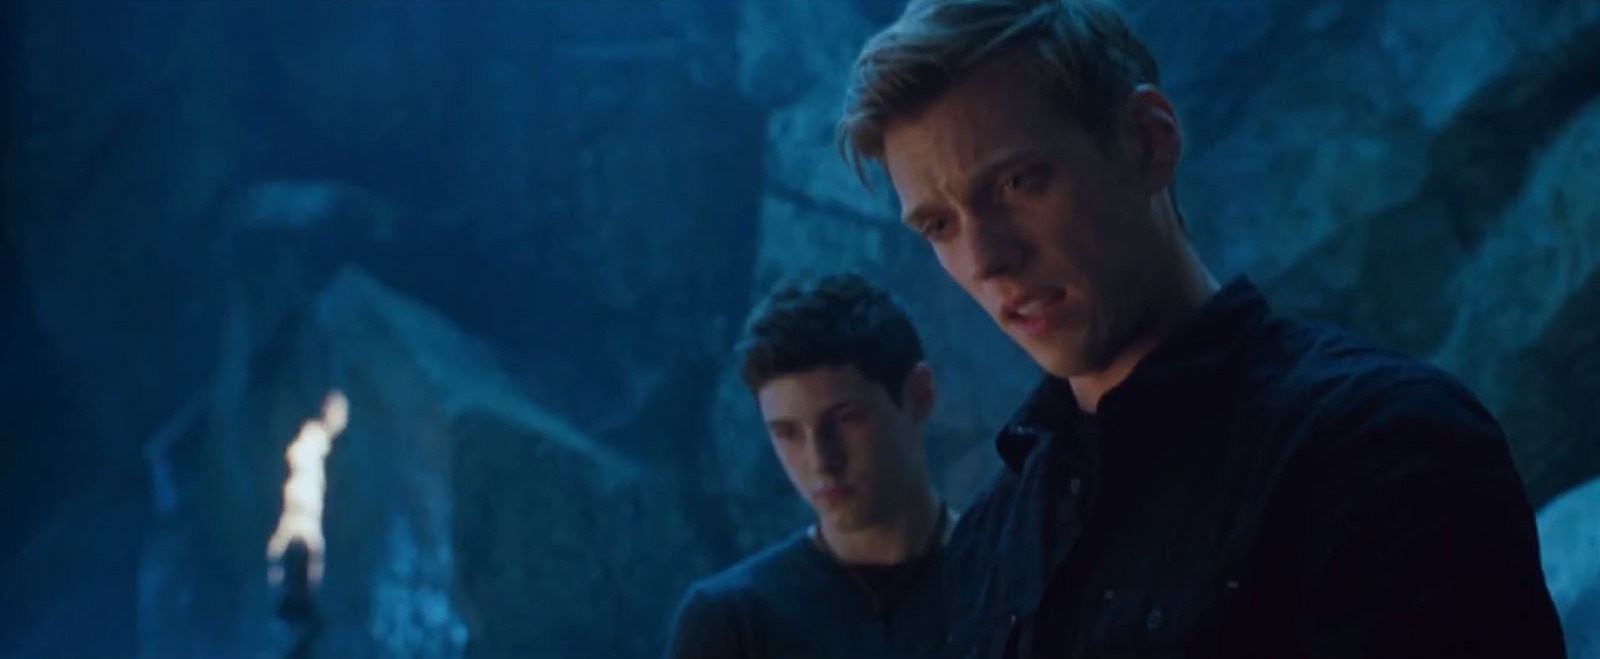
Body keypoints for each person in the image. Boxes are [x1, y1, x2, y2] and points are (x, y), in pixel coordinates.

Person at [835, 0, 1568, 657]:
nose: (984, 258)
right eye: (938, 224)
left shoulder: (1381, 445)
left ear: (1149, 142)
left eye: (1017, 182)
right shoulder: (993, 540)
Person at [665, 272, 958, 659]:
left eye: (845, 420)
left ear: (920, 395)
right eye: (788, 433)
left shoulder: (1009, 573)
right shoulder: (733, 621)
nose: (821, 461)